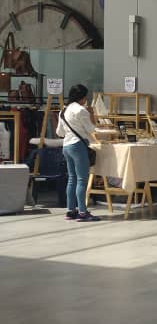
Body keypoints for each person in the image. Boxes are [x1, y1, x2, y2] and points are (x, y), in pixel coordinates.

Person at [57, 84, 99, 222]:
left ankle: (71, 211)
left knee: (72, 178)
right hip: (78, 146)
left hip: (66, 146)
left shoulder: (63, 110)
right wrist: (92, 114)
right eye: (85, 97)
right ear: (82, 97)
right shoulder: (82, 110)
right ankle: (82, 212)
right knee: (82, 179)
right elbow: (91, 129)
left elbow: (59, 132)